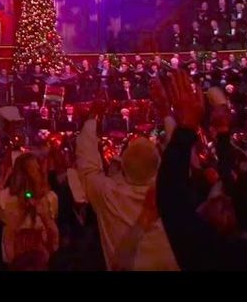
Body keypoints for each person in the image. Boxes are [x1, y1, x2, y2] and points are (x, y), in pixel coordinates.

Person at [75, 102, 179, 270]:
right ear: (158, 166)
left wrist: (92, 117)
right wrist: (167, 113)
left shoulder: (107, 194)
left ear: (123, 165)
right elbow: (179, 158)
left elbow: (86, 163)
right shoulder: (172, 194)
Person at [0, 152, 60, 270]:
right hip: (17, 262)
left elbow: (54, 240)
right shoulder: (5, 198)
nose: (38, 174)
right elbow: (5, 238)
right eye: (33, 170)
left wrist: (44, 218)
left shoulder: (50, 199)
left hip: (40, 262)